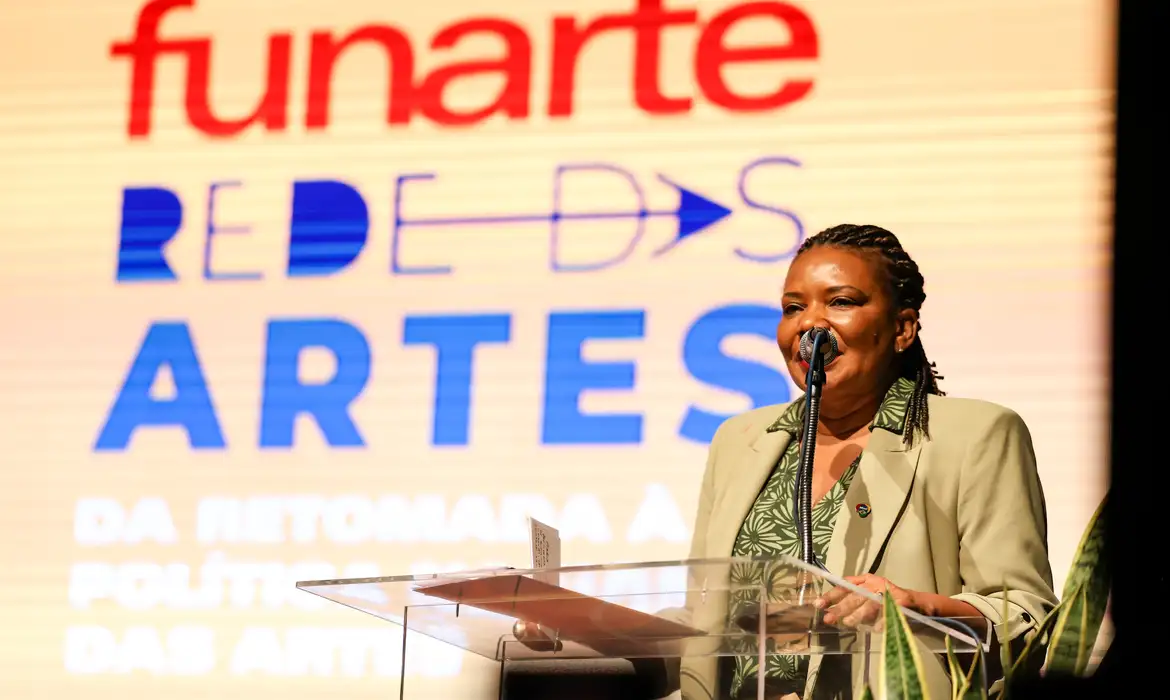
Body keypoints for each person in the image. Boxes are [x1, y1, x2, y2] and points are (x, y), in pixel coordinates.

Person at [665, 224, 1058, 700]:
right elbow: (704, 617)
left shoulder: (976, 434)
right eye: (793, 308)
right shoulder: (738, 440)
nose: (810, 324)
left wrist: (916, 608)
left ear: (902, 328)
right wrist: (601, 626)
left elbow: (1025, 616)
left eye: (841, 302)